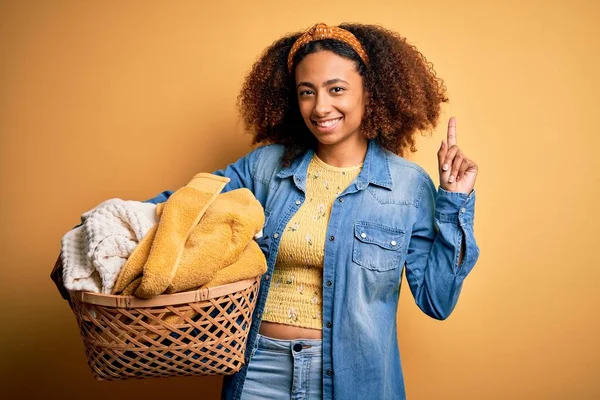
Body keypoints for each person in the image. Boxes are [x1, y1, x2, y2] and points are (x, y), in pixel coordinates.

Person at [147, 22, 480, 400]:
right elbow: (186, 205)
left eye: (336, 89)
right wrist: (102, 228)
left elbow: (436, 300)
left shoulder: (408, 186)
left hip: (354, 380)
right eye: (307, 92)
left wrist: (454, 201)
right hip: (258, 372)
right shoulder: (265, 168)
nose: (321, 107)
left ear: (371, 92)